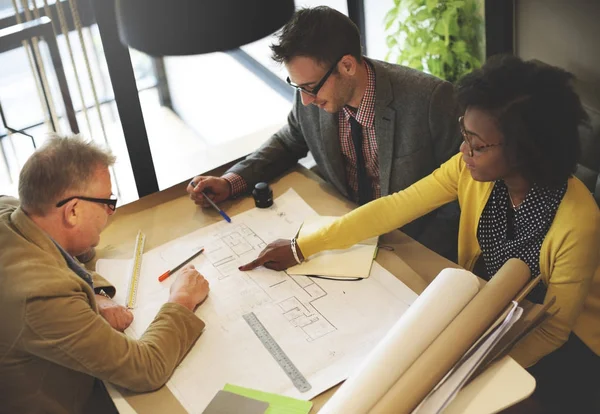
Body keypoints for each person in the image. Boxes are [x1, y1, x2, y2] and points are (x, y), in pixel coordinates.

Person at [239, 55, 600, 412]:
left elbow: (553, 332)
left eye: (477, 143)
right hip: (489, 311)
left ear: (525, 150)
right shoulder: (469, 171)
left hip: (563, 346)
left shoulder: (577, 221)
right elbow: (394, 207)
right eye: (464, 133)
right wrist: (303, 246)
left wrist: (462, 369)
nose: (464, 150)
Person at [187, 6, 462, 260]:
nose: (306, 100)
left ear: (347, 66)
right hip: (338, 223)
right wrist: (231, 181)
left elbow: (462, 189)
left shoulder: (429, 100)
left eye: (309, 87)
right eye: (298, 87)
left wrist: (421, 254)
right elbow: (289, 140)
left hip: (407, 241)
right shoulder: (310, 93)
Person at [0, 135, 210, 413]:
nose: (111, 212)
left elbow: (63, 255)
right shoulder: (43, 295)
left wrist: (94, 295)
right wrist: (182, 298)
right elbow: (147, 368)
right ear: (73, 211)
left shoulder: (11, 210)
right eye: (106, 203)